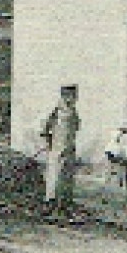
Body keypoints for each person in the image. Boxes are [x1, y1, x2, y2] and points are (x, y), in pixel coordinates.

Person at [39, 85, 81, 220]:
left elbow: (76, 127)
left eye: (75, 96)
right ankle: (50, 206)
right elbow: (45, 127)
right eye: (71, 95)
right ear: (64, 96)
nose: (74, 98)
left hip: (69, 150)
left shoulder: (73, 111)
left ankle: (65, 206)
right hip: (57, 150)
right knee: (55, 178)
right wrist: (48, 142)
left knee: (67, 178)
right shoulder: (57, 110)